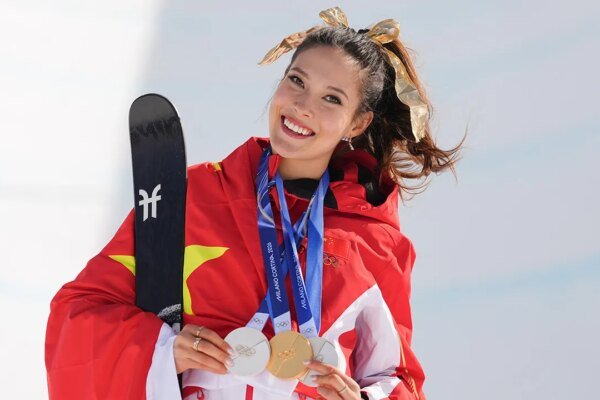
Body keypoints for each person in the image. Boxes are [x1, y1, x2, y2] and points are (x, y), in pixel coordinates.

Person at [45, 7, 464, 400]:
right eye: (297, 80)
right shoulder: (193, 197)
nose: (302, 106)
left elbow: (398, 379)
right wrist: (163, 350)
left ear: (358, 122)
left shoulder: (375, 241)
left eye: (332, 98)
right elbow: (77, 318)